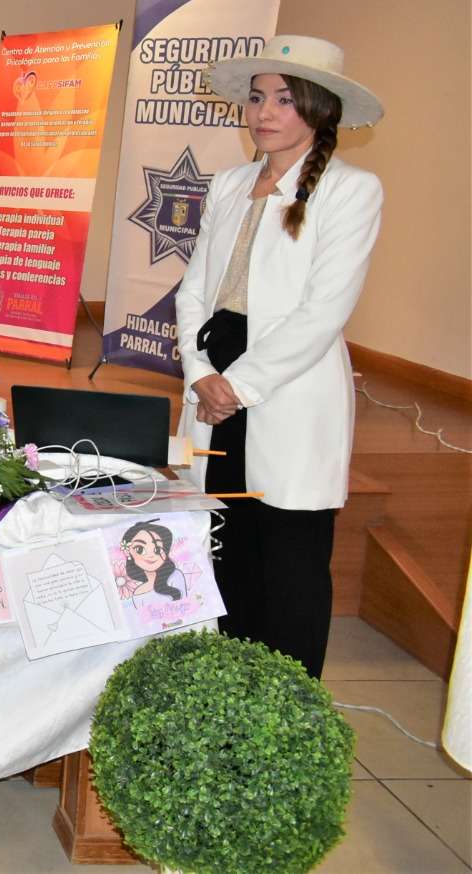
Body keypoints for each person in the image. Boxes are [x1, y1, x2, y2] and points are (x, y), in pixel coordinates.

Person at [177, 36, 384, 678]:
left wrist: (237, 386)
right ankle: (227, 691)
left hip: (284, 386)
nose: (264, 111)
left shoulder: (351, 190)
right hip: (215, 375)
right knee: (224, 545)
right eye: (257, 97)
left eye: (285, 99)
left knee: (290, 558)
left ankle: (290, 706)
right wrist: (200, 373)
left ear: (320, 109)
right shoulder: (231, 183)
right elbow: (193, 290)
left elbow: (323, 311)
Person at [116, 520, 186, 607]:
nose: (150, 555)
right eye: (140, 549)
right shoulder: (138, 594)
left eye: (157, 549)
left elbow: (188, 607)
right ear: (128, 552)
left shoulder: (174, 576)